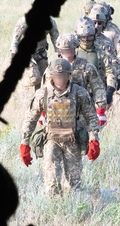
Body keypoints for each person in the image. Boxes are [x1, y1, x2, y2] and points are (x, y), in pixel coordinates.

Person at [20, 57, 100, 196]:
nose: (60, 79)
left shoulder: (79, 92)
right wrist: (24, 143)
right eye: (57, 76)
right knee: (52, 185)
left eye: (63, 75)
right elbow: (30, 119)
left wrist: (94, 139)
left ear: (69, 75)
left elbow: (91, 117)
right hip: (51, 141)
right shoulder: (43, 93)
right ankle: (55, 212)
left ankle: (74, 212)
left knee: (74, 185)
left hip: (72, 141)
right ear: (51, 76)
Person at [54, 32, 109, 127]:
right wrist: (42, 112)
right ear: (60, 50)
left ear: (75, 48)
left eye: (71, 49)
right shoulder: (53, 67)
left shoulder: (86, 66)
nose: (69, 52)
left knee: (83, 138)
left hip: (82, 111)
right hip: (58, 110)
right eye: (65, 50)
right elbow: (45, 90)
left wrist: (101, 111)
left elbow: (98, 87)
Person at [73, 16, 120, 105]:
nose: (86, 40)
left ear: (94, 35)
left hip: (99, 94)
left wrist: (110, 88)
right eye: (83, 37)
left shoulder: (101, 52)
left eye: (89, 37)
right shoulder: (73, 53)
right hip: (77, 95)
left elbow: (110, 71)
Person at [10, 14, 60, 92]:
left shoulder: (50, 22)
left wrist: (60, 51)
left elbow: (55, 37)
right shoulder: (25, 21)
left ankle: (38, 98)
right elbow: (16, 37)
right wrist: (13, 52)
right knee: (35, 78)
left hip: (41, 53)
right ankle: (24, 89)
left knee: (45, 79)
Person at [87, 1, 120, 81]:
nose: (96, 25)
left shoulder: (113, 31)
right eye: (94, 22)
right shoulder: (86, 29)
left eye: (100, 23)